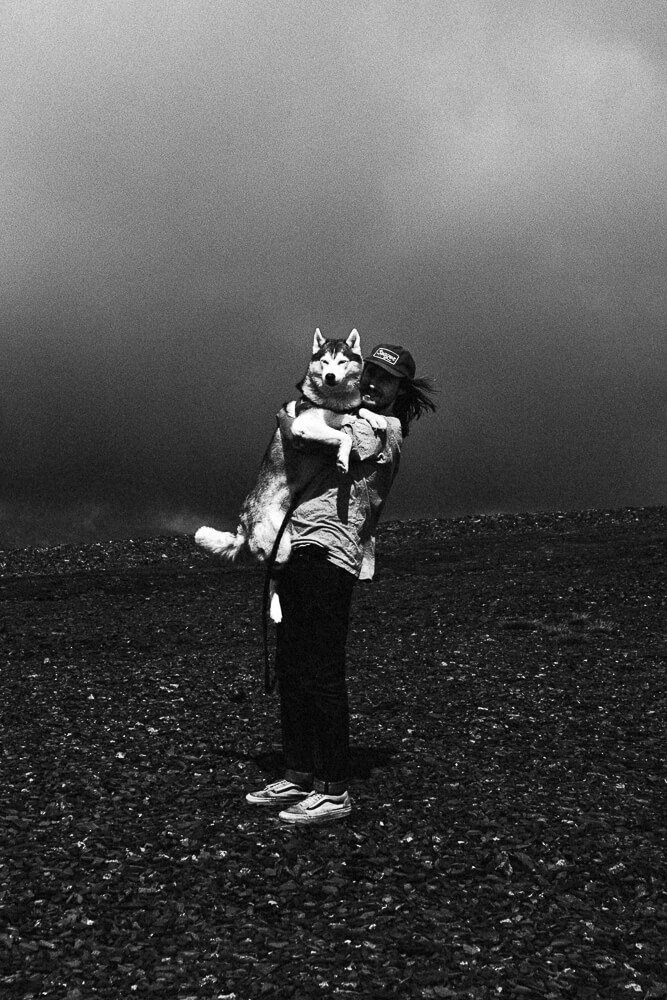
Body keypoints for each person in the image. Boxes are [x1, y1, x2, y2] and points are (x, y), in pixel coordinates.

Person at [246, 343, 437, 824]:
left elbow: (304, 430)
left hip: (332, 552)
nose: (373, 384)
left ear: (400, 390)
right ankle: (298, 773)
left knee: (322, 670)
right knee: (291, 664)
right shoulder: (350, 413)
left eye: (385, 380)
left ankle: (333, 788)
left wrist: (291, 414)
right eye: (369, 373)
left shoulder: (383, 429)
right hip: (297, 544)